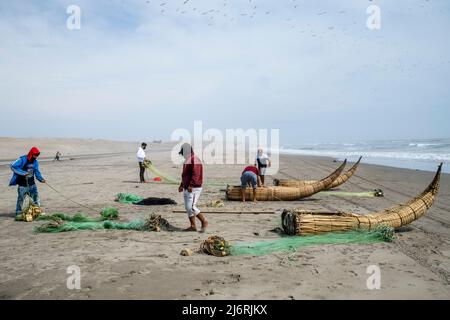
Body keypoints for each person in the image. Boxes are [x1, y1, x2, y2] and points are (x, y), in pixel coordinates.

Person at [178, 143, 208, 232]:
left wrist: (191, 184)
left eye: (182, 153)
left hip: (194, 187)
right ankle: (193, 226)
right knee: (187, 207)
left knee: (191, 206)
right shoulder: (187, 160)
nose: (182, 155)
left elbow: (196, 174)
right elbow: (185, 175)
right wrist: (182, 185)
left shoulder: (194, 159)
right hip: (187, 187)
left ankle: (204, 221)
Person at [9, 147, 46, 216]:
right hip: (22, 185)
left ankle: (37, 211)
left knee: (35, 198)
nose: (36, 156)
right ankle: (18, 212)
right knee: (21, 199)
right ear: (31, 153)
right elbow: (13, 166)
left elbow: (36, 171)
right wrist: (23, 173)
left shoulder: (35, 162)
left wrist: (41, 179)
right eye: (35, 155)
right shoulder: (22, 159)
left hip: (32, 184)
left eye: (37, 155)